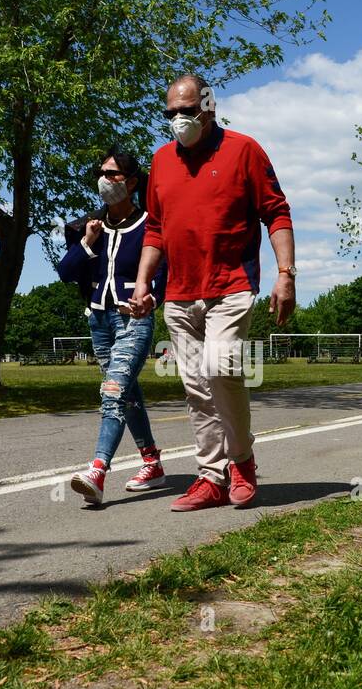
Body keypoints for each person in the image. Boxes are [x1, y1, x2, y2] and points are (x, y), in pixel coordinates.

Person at [129, 74, 295, 511]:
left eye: (187, 110)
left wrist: (285, 273)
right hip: (180, 292)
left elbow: (276, 213)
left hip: (231, 285)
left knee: (221, 368)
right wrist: (145, 281)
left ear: (209, 105)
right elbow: (155, 228)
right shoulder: (161, 160)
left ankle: (241, 461)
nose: (178, 119)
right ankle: (210, 477)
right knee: (196, 387)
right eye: (171, 113)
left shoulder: (244, 150)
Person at [56, 147, 168, 507]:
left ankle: (97, 471)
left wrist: (151, 297)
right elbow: (65, 273)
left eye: (113, 174)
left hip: (132, 319)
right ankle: (151, 461)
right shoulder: (88, 226)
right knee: (127, 394)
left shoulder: (150, 224)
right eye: (101, 174)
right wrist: (88, 242)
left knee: (113, 392)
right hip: (99, 322)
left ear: (132, 181)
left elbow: (163, 272)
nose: (105, 180)